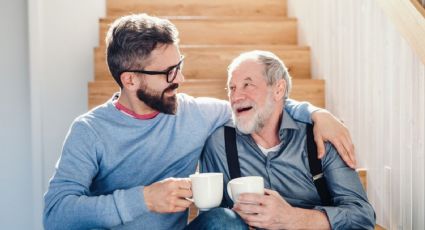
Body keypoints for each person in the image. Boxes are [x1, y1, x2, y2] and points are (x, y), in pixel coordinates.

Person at [43, 14, 356, 229]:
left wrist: (317, 114)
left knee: (224, 221)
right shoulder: (90, 131)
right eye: (168, 72)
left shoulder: (194, 113)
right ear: (130, 80)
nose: (181, 78)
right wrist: (144, 199)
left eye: (179, 65)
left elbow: (260, 104)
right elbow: (56, 214)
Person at [200, 51, 376, 229]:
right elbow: (212, 220)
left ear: (278, 90)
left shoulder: (320, 137)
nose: (236, 97)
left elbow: (362, 216)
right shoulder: (219, 144)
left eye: (248, 84)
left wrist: (293, 218)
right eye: (232, 88)